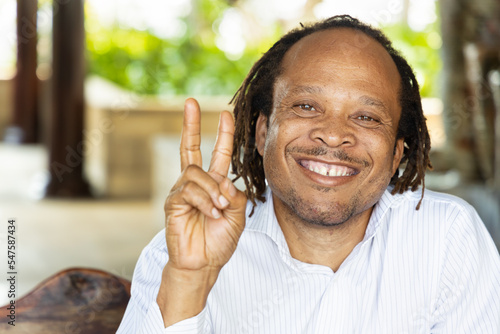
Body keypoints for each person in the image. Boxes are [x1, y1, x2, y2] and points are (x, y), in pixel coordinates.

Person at [117, 15, 500, 333]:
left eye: (366, 117)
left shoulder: (449, 238)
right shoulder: (183, 249)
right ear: (263, 131)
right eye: (306, 106)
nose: (333, 134)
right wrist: (187, 281)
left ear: (398, 151)